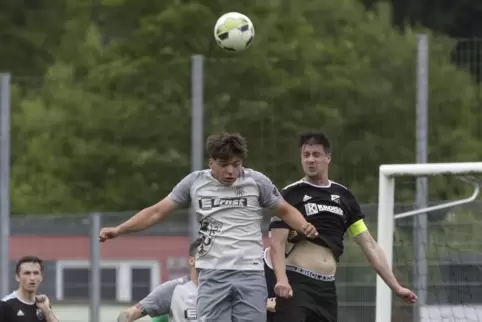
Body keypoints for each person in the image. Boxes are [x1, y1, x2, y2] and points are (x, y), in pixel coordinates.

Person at [100, 132, 318, 322]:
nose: (231, 171)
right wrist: (119, 229)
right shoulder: (195, 182)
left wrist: (304, 226)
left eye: (236, 164)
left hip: (250, 273)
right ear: (211, 162)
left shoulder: (256, 182)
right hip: (213, 274)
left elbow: (285, 210)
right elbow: (157, 211)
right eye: (224, 165)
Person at [269, 131, 417, 322]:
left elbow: (369, 245)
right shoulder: (290, 195)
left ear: (328, 158)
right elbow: (276, 244)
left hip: (327, 290)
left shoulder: (344, 197)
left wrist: (396, 286)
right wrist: (281, 280)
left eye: (316, 155)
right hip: (297, 284)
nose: (310, 160)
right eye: (306, 155)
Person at [118, 238, 202, 322]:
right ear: (192, 260)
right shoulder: (173, 289)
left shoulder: (215, 291)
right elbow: (130, 313)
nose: (210, 262)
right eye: (205, 257)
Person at [0, 255, 58, 322]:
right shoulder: (5, 305)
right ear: (17, 277)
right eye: (27, 273)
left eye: (36, 273)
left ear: (41, 277)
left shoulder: (43, 306)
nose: (32, 278)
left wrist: (47, 310)